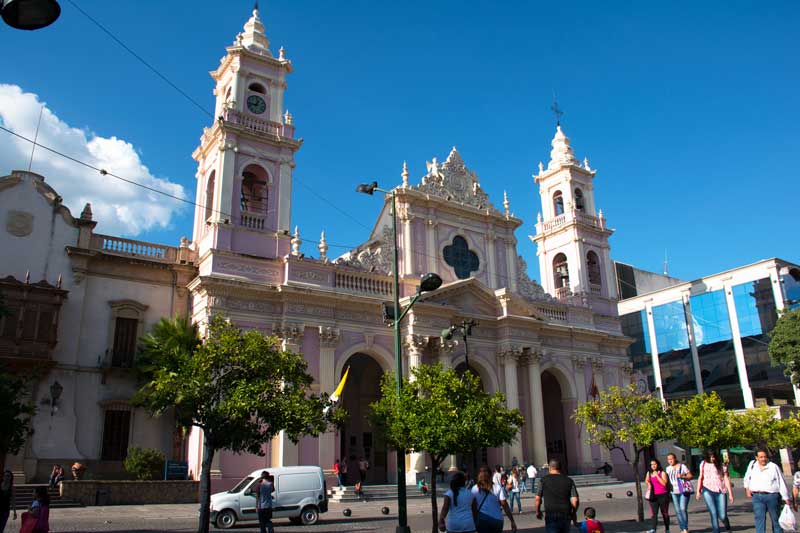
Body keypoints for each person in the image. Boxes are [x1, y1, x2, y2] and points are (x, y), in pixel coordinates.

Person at [743, 448, 791, 533]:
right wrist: (747, 488)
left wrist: (786, 497)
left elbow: (781, 482)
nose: (763, 459)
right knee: (759, 519)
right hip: (757, 497)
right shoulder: (752, 465)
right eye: (761, 457)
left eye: (765, 457)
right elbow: (747, 477)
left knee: (776, 519)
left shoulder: (773, 466)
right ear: (756, 458)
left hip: (772, 496)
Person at [535, 459, 579, 533]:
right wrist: (574, 513)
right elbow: (575, 500)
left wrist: (538, 511)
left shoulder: (543, 480)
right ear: (560, 468)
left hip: (551, 514)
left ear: (550, 468)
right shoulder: (569, 480)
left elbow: (537, 498)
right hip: (566, 513)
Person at [696, 449, 733, 533]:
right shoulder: (703, 464)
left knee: (722, 515)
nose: (712, 459)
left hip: (720, 490)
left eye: (713, 457)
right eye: (710, 457)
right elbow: (700, 477)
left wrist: (730, 494)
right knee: (713, 512)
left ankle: (727, 525)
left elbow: (726, 478)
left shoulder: (722, 465)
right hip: (707, 489)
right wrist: (698, 491)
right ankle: (716, 530)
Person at [471, 466, 517, 533]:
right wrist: (512, 521)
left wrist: (474, 521)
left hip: (482, 520)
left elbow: (473, 507)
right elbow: (504, 505)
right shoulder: (497, 487)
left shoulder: (474, 488)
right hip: (497, 520)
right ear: (491, 475)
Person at [666, 453, 693, 533]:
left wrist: (682, 476)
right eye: (668, 459)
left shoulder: (682, 466)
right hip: (673, 491)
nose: (670, 461)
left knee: (682, 508)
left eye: (671, 459)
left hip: (683, 490)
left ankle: (685, 528)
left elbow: (690, 476)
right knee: (677, 510)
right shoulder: (668, 469)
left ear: (675, 458)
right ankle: (682, 528)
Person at [645, 458, 670, 533]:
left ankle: (667, 529)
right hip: (653, 496)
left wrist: (657, 476)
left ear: (658, 464)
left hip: (663, 495)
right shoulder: (649, 473)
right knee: (654, 513)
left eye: (655, 464)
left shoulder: (662, 473)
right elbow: (646, 480)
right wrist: (648, 484)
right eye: (652, 464)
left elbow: (664, 484)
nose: (653, 466)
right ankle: (653, 529)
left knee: (664, 513)